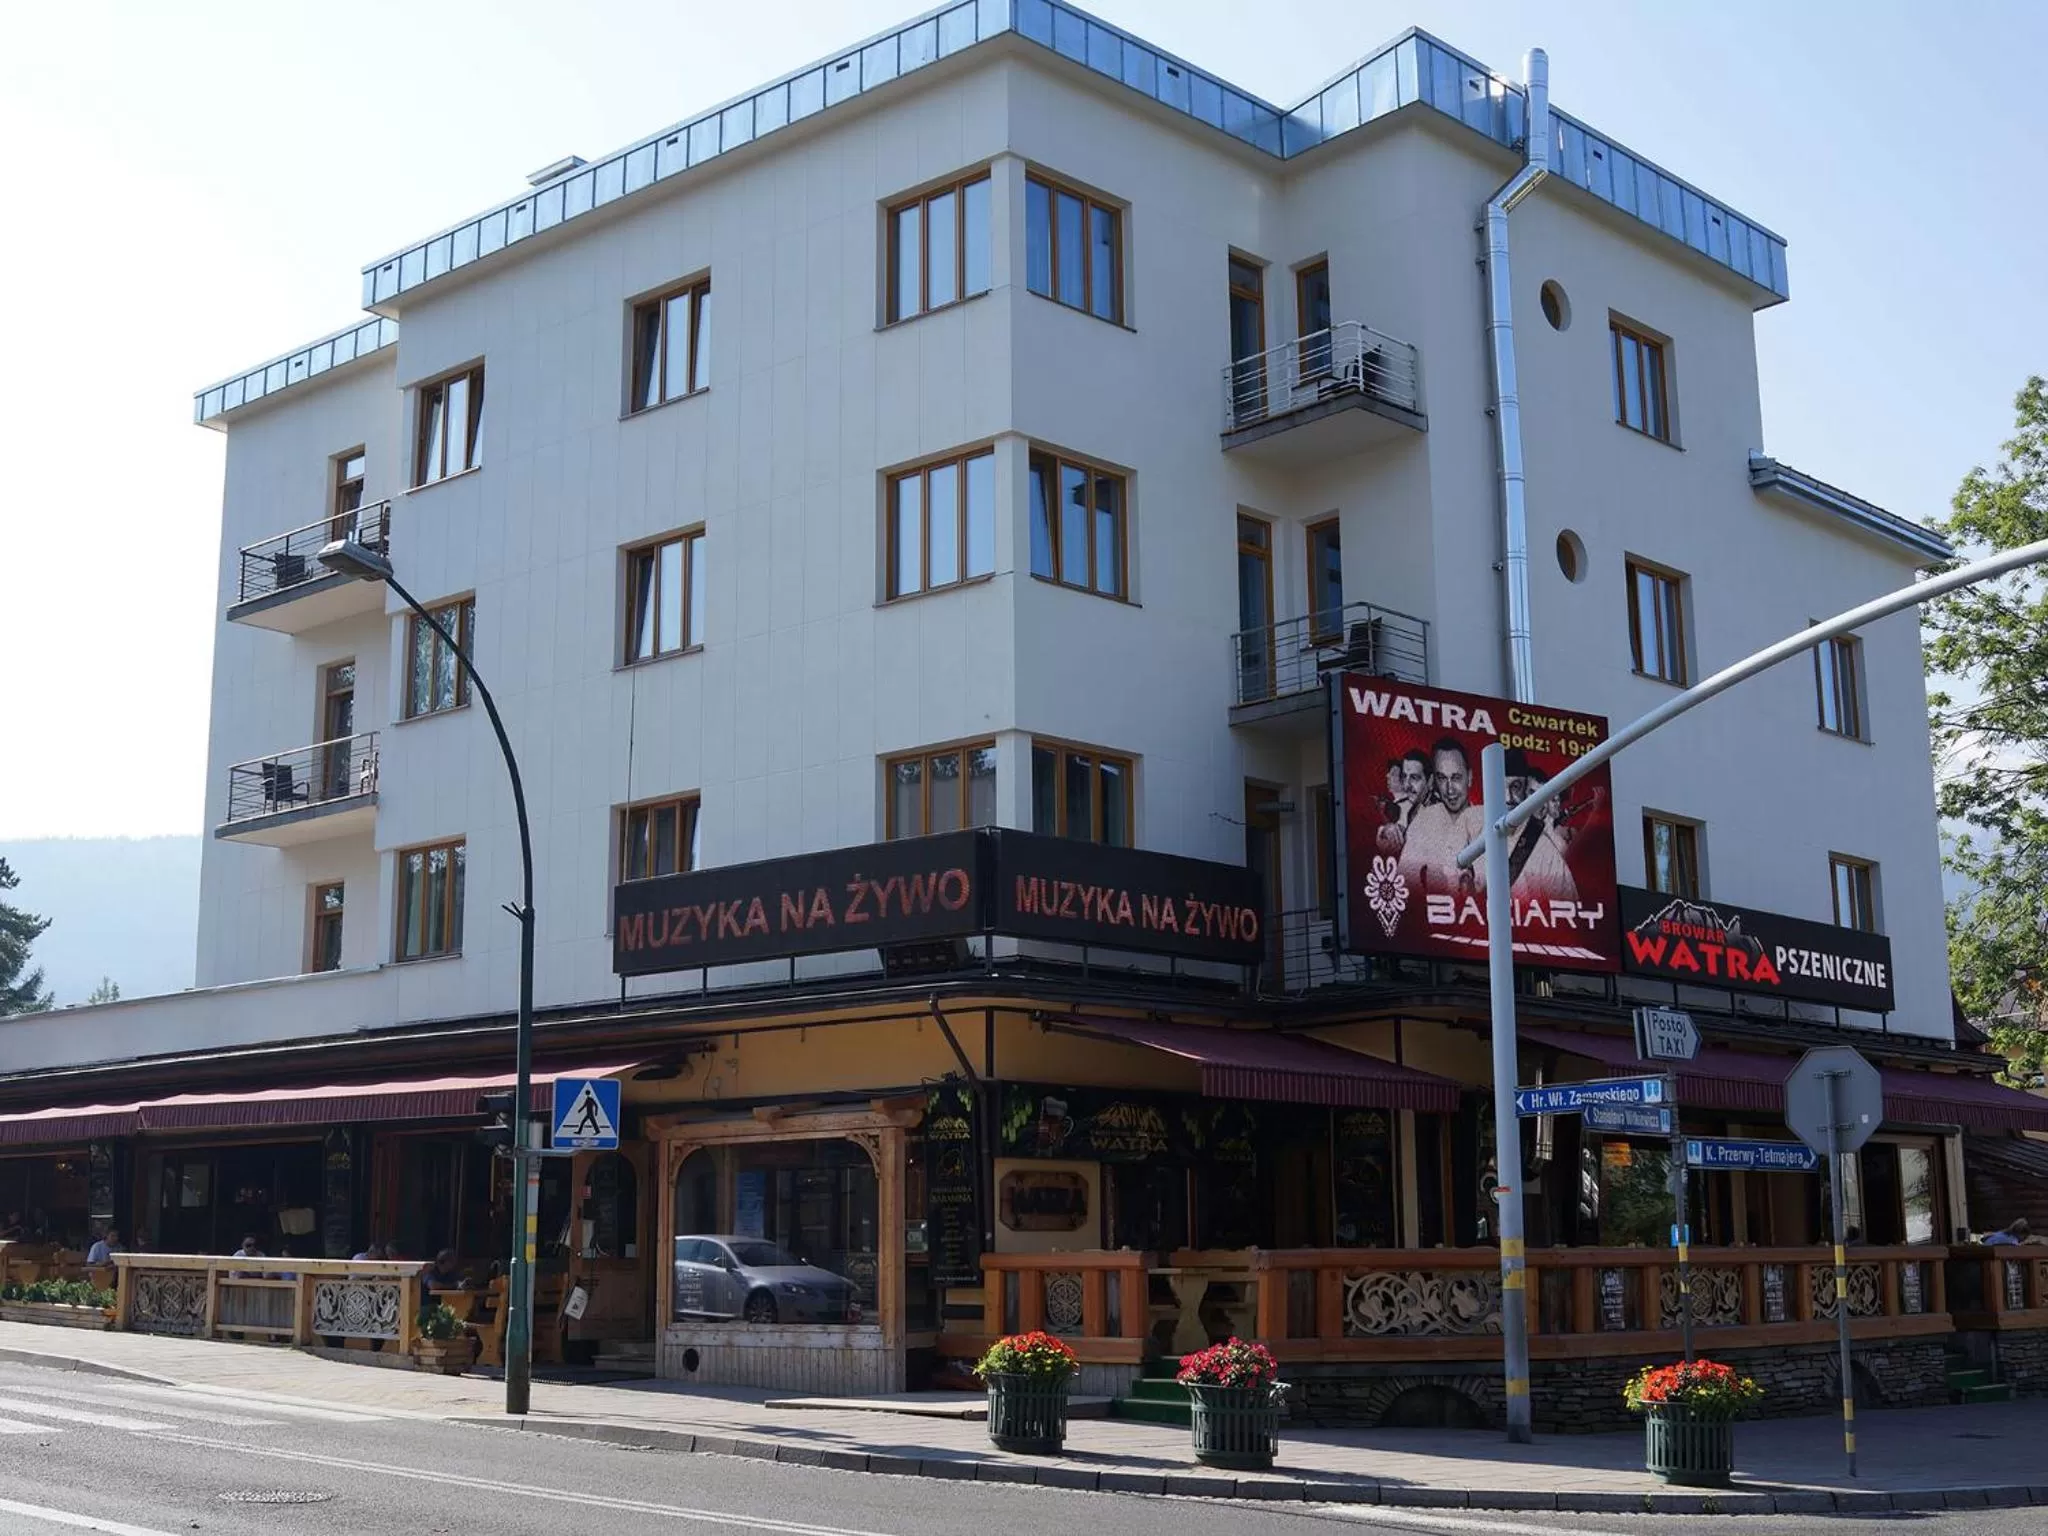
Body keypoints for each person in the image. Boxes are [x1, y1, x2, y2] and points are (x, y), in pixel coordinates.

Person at [1397, 737, 1486, 900]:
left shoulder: (1488, 822)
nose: (1449, 789)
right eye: (1442, 778)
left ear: (1470, 777)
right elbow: (1404, 883)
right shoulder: (1424, 822)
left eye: (1456, 777)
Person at [1502, 751, 1579, 906]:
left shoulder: (1548, 849)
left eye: (1516, 787)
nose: (1509, 797)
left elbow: (1571, 908)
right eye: (1532, 794)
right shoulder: (1472, 826)